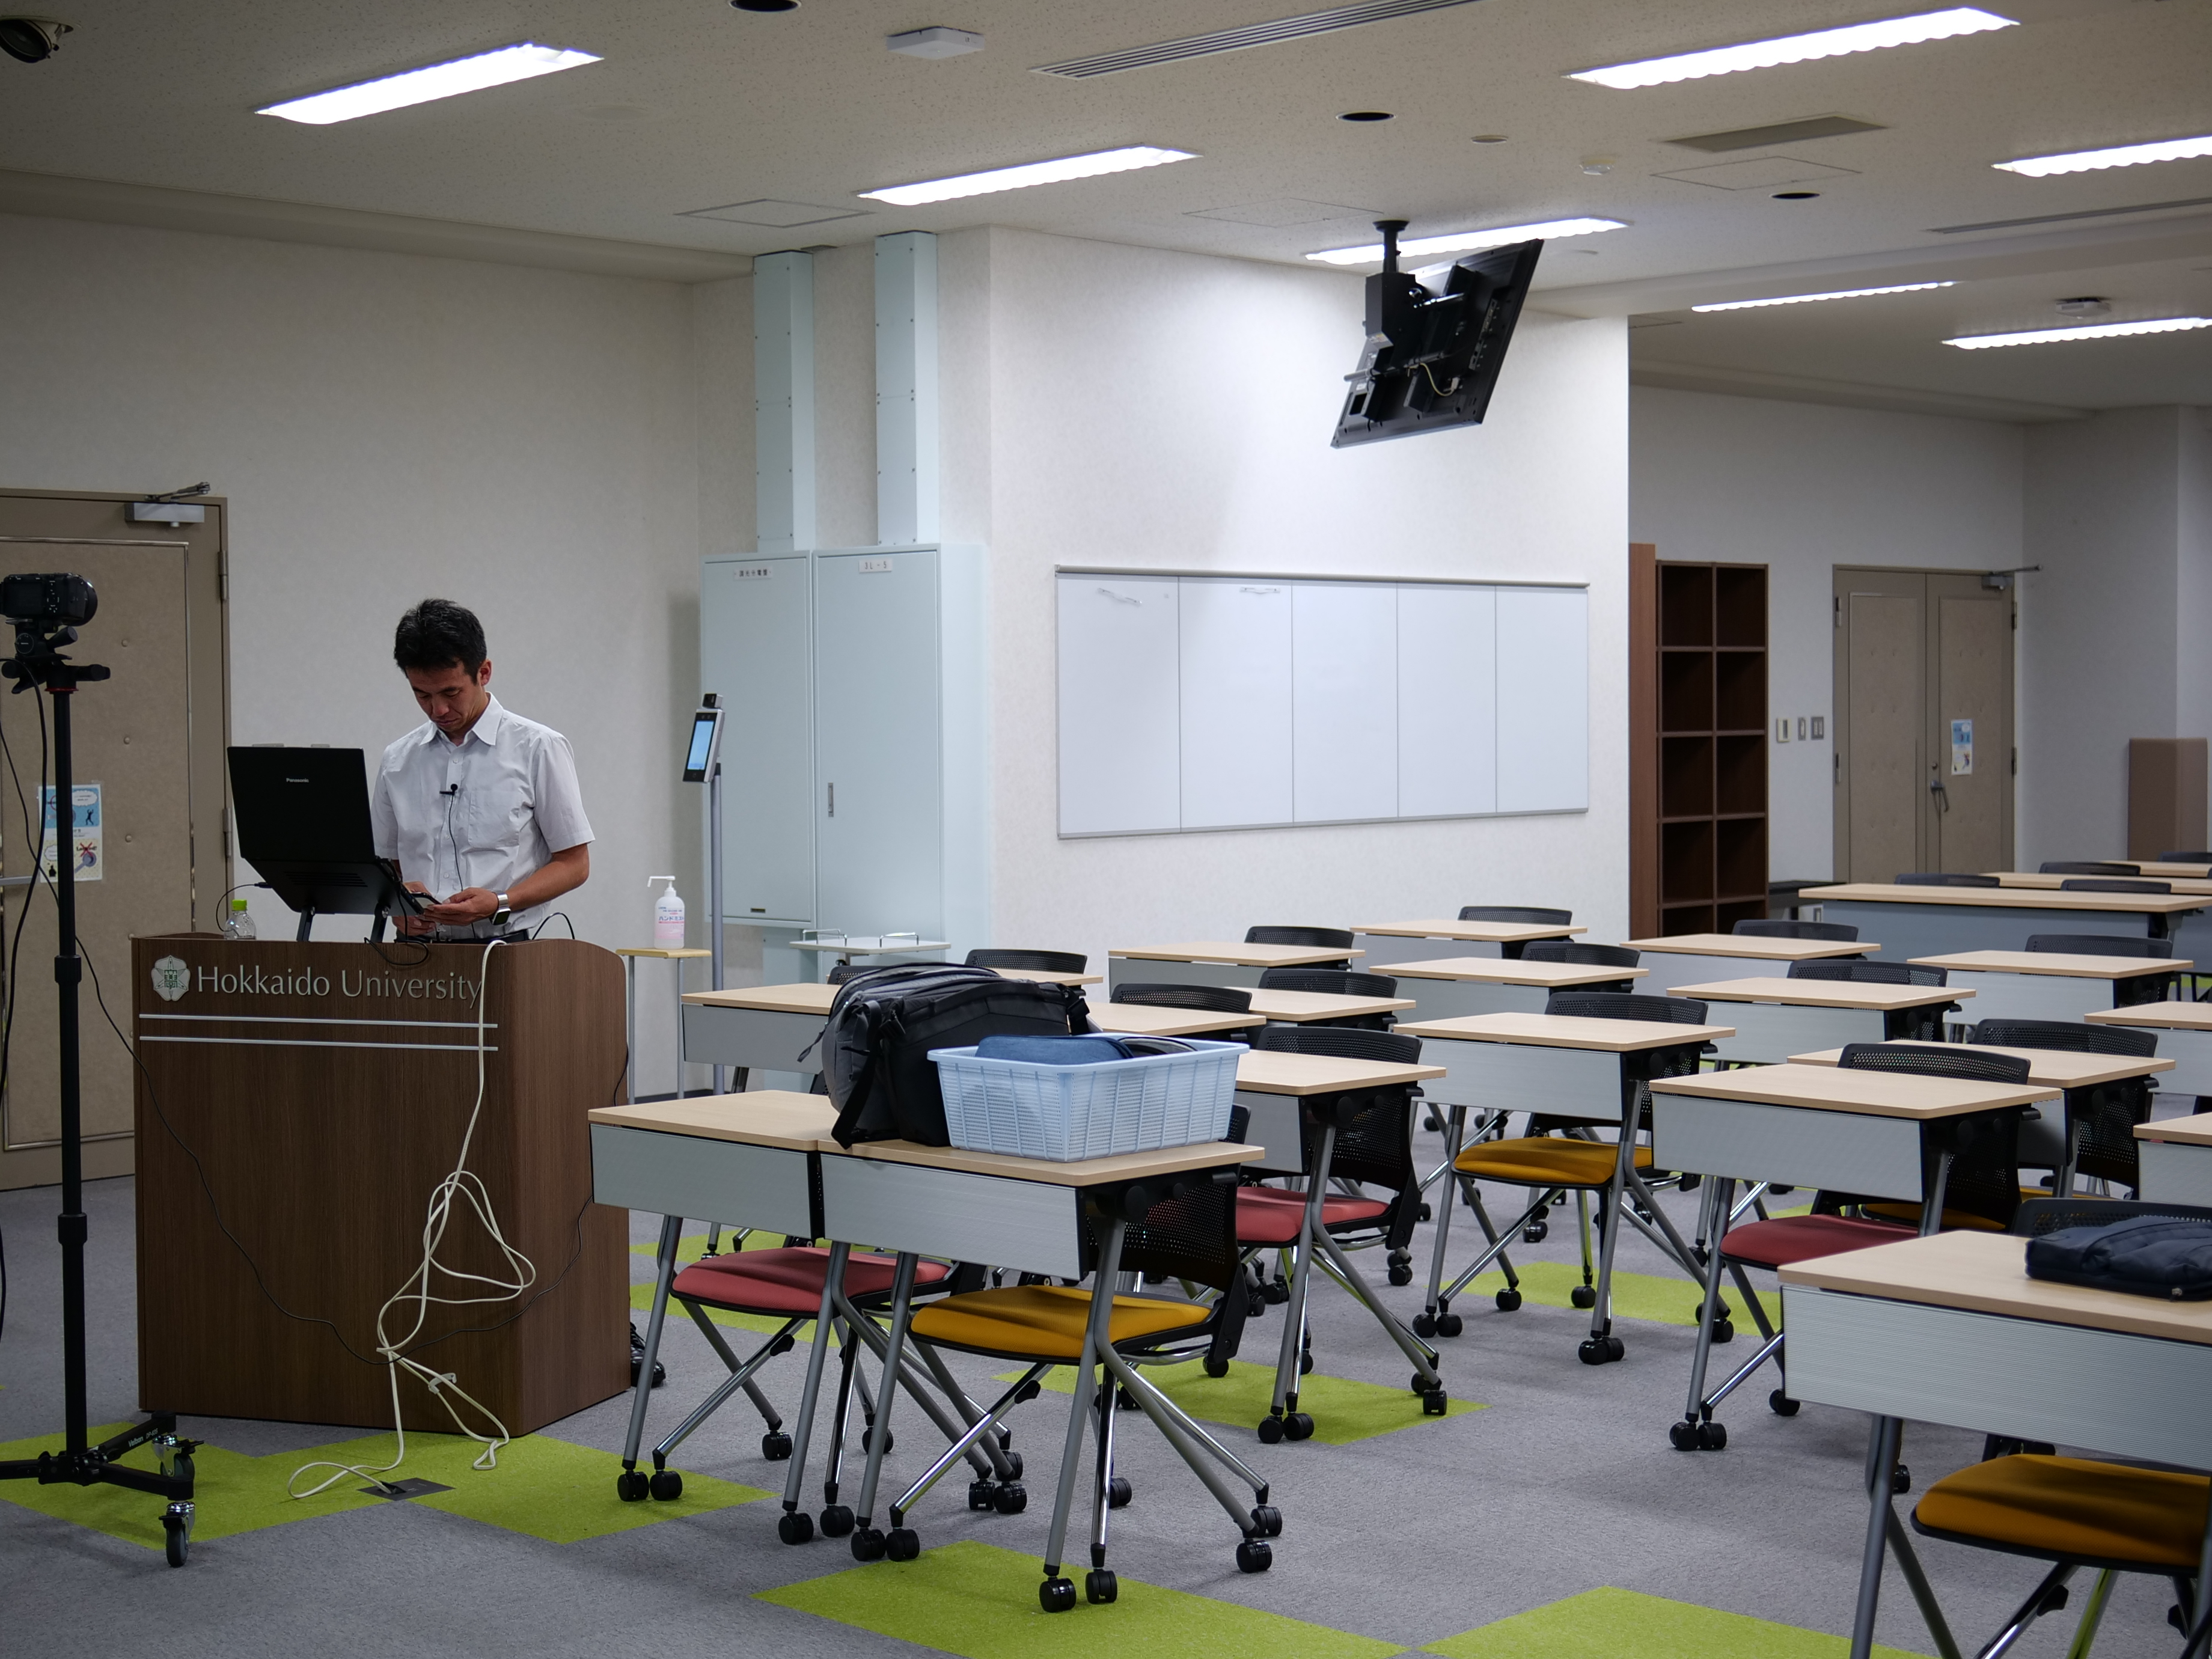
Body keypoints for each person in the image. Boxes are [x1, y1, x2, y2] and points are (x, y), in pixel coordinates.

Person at [371, 599, 591, 941]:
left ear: (484, 673)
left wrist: (500, 902)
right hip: (414, 951)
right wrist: (397, 902)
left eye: (451, 692)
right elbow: (385, 862)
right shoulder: (398, 759)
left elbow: (575, 864)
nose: (438, 709)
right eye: (422, 695)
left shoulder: (538, 747)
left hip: (504, 946)